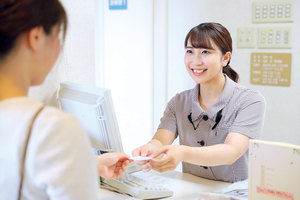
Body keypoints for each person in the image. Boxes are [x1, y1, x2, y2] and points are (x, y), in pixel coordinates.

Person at [0, 0, 131, 199]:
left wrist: (88, 163)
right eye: (57, 36)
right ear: (35, 37)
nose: (59, 48)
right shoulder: (54, 128)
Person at [132, 22, 266, 183]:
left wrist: (181, 152)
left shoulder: (250, 101)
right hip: (193, 190)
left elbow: (231, 152)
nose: (196, 61)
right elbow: (160, 140)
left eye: (205, 52)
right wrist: (150, 150)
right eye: (190, 51)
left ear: (225, 58)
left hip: (233, 192)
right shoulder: (178, 102)